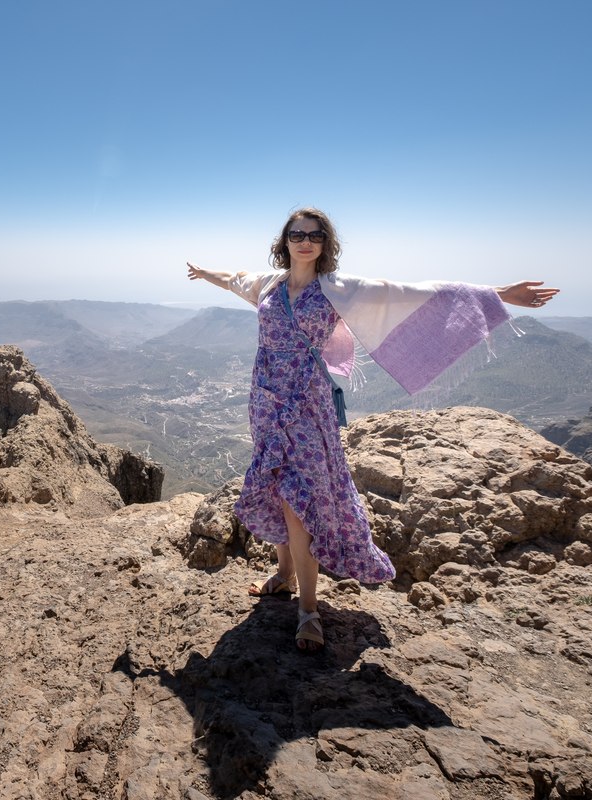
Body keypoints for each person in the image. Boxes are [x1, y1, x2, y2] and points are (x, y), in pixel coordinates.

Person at [187, 208, 559, 650]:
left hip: (307, 405)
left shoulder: (337, 288)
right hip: (266, 403)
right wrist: (205, 271)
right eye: (296, 234)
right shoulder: (269, 286)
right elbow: (235, 277)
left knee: (299, 497)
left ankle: (308, 611)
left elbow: (411, 294)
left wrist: (498, 294)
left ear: (326, 243)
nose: (305, 240)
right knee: (275, 486)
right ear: (284, 241)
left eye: (315, 234)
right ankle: (283, 576)